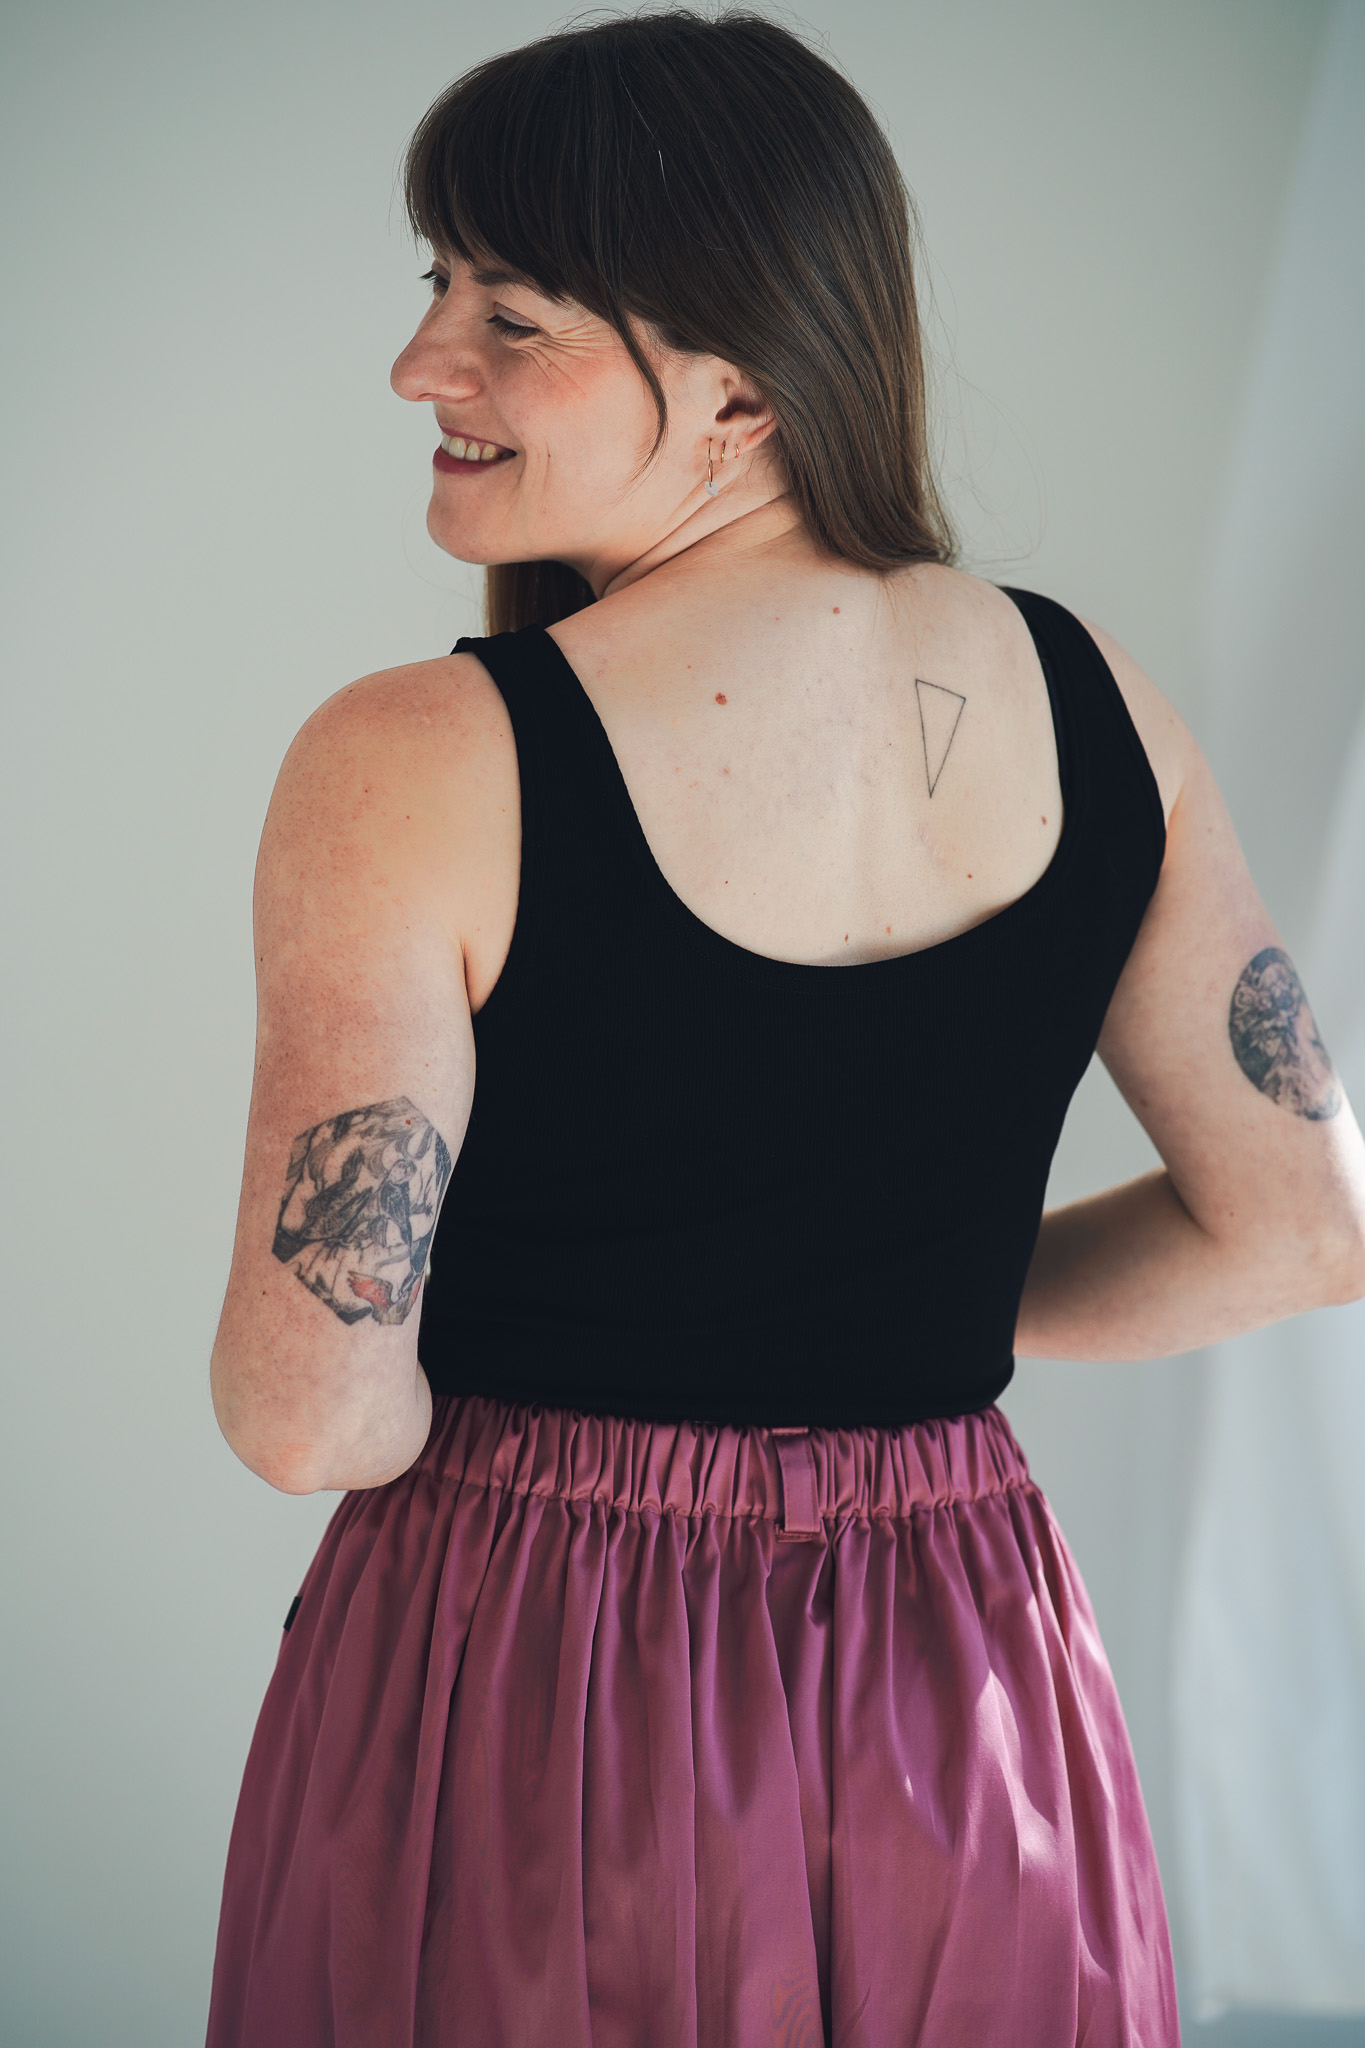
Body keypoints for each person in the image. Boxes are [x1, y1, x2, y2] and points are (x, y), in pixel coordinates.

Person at [204, 12, 1365, 2045]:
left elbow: (311, 1417)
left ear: (739, 384)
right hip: (973, 1678)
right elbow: (1301, 1222)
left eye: (510, 315)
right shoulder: (1101, 706)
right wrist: (885, 1302)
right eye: (436, 283)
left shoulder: (416, 757)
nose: (419, 363)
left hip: (540, 1665)